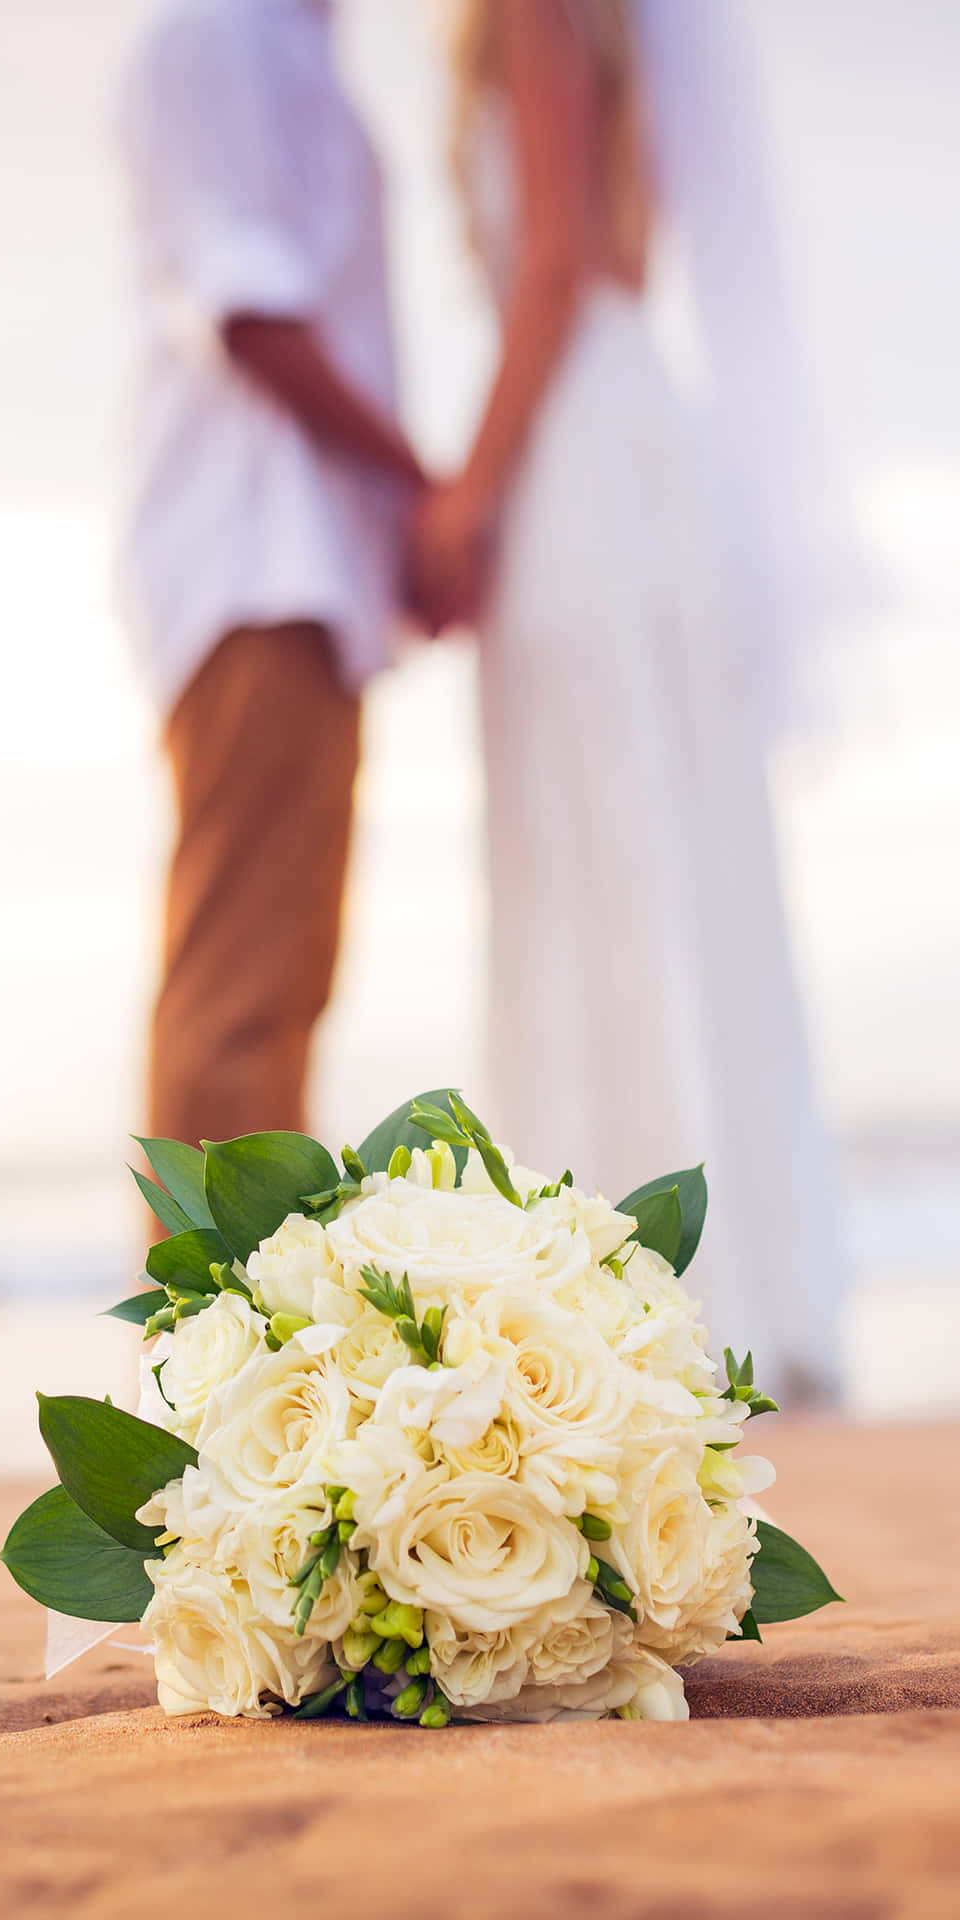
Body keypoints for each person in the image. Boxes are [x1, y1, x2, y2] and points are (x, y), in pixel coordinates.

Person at [407, 0, 843, 1395]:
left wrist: (466, 495)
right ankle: (722, 1282)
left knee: (595, 856)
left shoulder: (535, 12)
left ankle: (629, 1305)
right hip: (627, 437)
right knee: (654, 853)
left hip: (581, 457)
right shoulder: (613, 30)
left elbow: (557, 264)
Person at [117, 0, 423, 1151]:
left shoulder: (282, 39)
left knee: (280, 985)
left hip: (300, 561)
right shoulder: (222, 34)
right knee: (243, 995)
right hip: (257, 555)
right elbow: (247, 308)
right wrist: (423, 495)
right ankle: (204, 1329)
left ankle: (232, 1323)